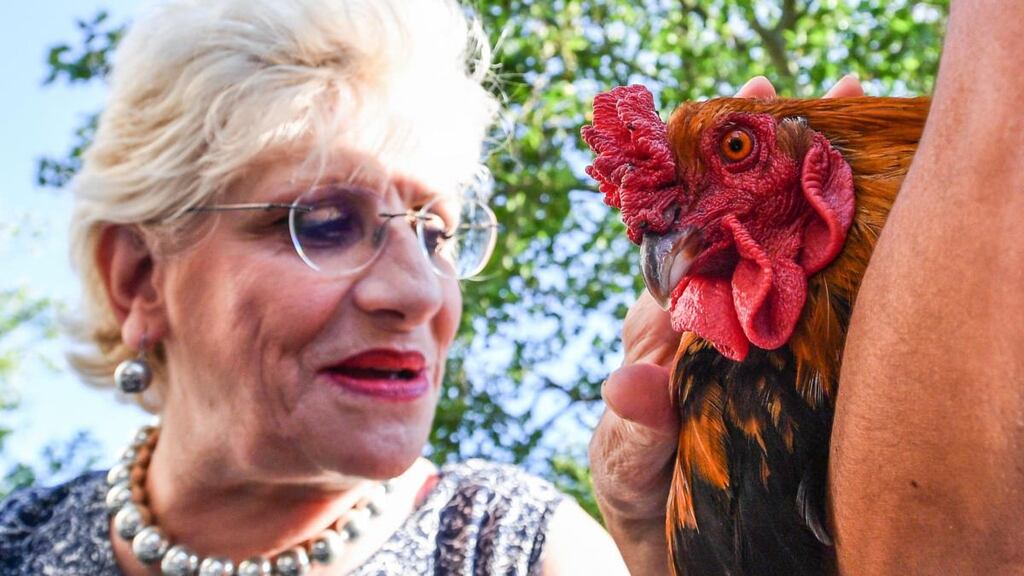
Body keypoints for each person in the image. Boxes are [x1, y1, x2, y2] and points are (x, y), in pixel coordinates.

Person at [0, 1, 627, 574]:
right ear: (138, 279)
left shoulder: (523, 553)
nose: (421, 294)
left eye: (434, 235)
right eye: (325, 225)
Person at [587, 1, 1024, 574]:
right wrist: (641, 541)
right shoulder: (710, 449)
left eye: (736, 149)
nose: (672, 231)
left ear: (820, 163)